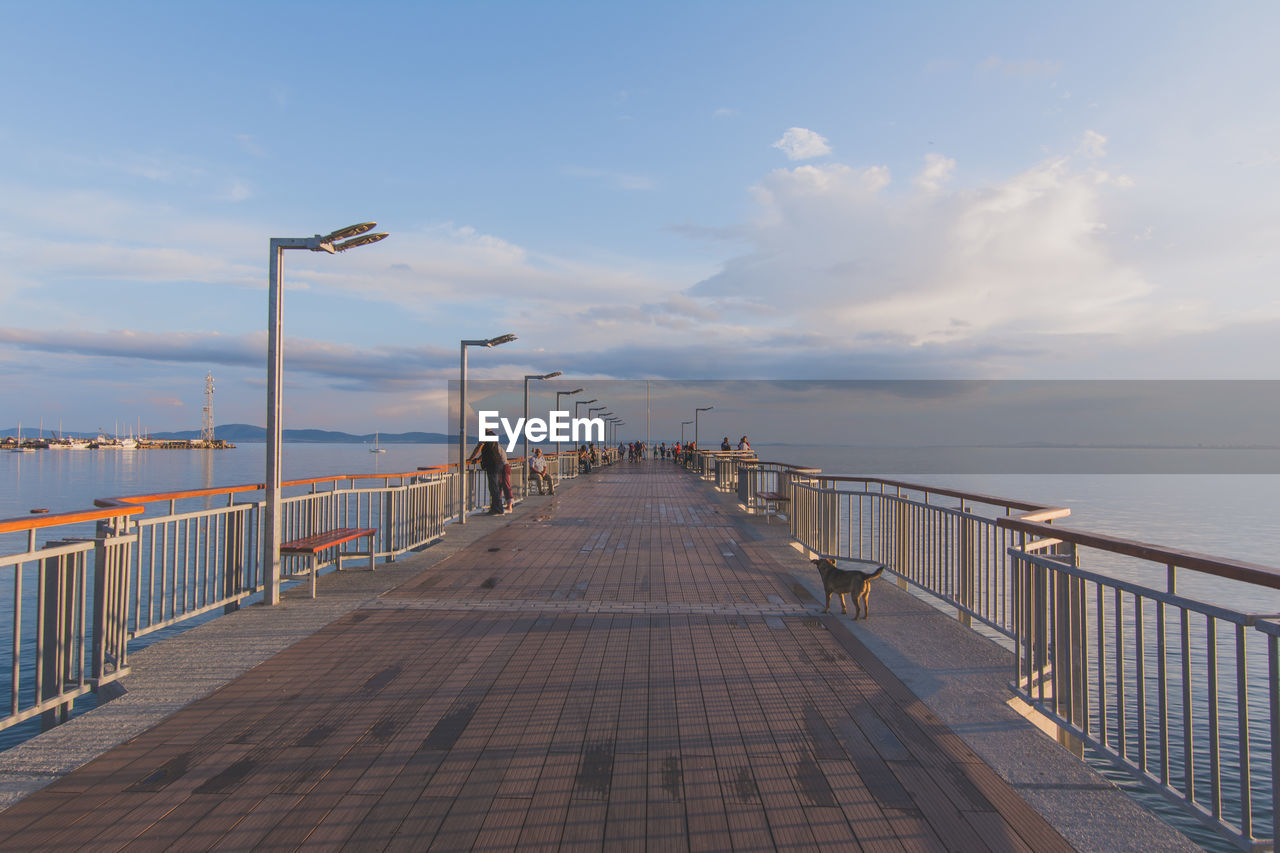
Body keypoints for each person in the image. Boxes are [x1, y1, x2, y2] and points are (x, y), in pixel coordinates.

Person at [467, 437, 508, 514]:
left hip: (493, 465)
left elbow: (478, 448)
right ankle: (496, 507)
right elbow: (488, 451)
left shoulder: (485, 435)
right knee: (495, 487)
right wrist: (479, 458)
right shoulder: (492, 436)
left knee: (494, 487)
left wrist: (471, 458)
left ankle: (498, 509)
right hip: (498, 464)